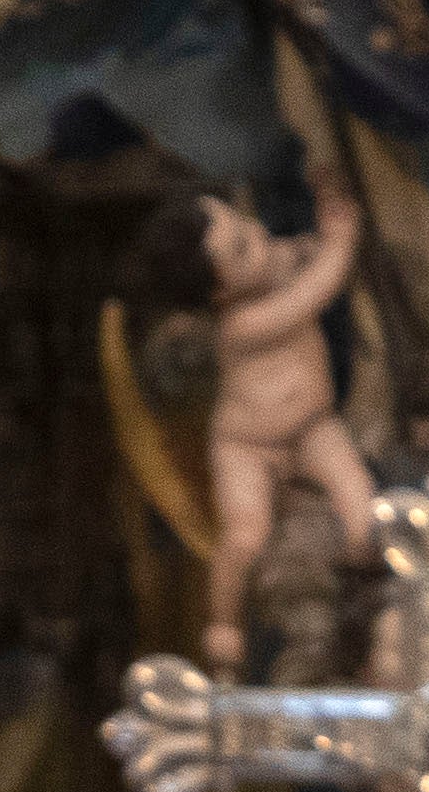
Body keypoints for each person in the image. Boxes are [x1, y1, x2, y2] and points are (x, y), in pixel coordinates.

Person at [128, 183, 376, 675]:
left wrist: (316, 237)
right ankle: (223, 624)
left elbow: (297, 257)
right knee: (246, 535)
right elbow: (311, 295)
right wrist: (340, 244)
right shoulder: (239, 325)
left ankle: (361, 595)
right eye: (242, 246)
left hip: (313, 427)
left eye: (245, 225)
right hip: (247, 445)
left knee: (361, 504)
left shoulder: (268, 265)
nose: (259, 237)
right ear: (218, 293)